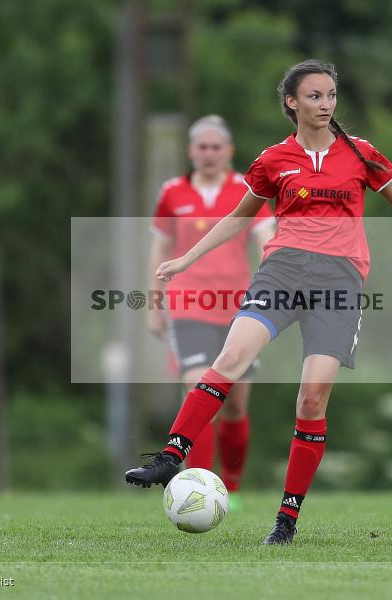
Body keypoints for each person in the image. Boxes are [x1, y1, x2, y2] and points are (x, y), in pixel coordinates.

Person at [126, 60, 392, 545]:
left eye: (330, 96)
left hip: (338, 283)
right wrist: (186, 258)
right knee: (232, 356)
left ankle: (286, 519)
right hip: (282, 271)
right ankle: (170, 456)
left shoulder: (362, 155)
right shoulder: (274, 159)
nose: (325, 104)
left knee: (310, 398)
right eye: (314, 96)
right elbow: (237, 218)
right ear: (292, 102)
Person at [147, 115, 275, 505]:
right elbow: (159, 249)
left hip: (239, 309)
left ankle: (230, 487)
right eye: (201, 147)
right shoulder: (173, 192)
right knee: (197, 387)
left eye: (215, 147)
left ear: (228, 152)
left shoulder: (246, 189)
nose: (208, 154)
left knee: (234, 405)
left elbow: (265, 238)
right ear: (191, 151)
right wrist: (154, 304)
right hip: (188, 306)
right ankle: (198, 488)